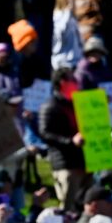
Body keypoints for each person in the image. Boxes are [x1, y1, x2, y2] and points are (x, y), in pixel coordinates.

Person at [39, 67, 90, 210]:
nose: (76, 82)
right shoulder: (50, 106)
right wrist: (70, 141)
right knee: (68, 208)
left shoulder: (78, 103)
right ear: (62, 82)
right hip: (66, 164)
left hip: (85, 162)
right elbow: (45, 134)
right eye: (72, 79)